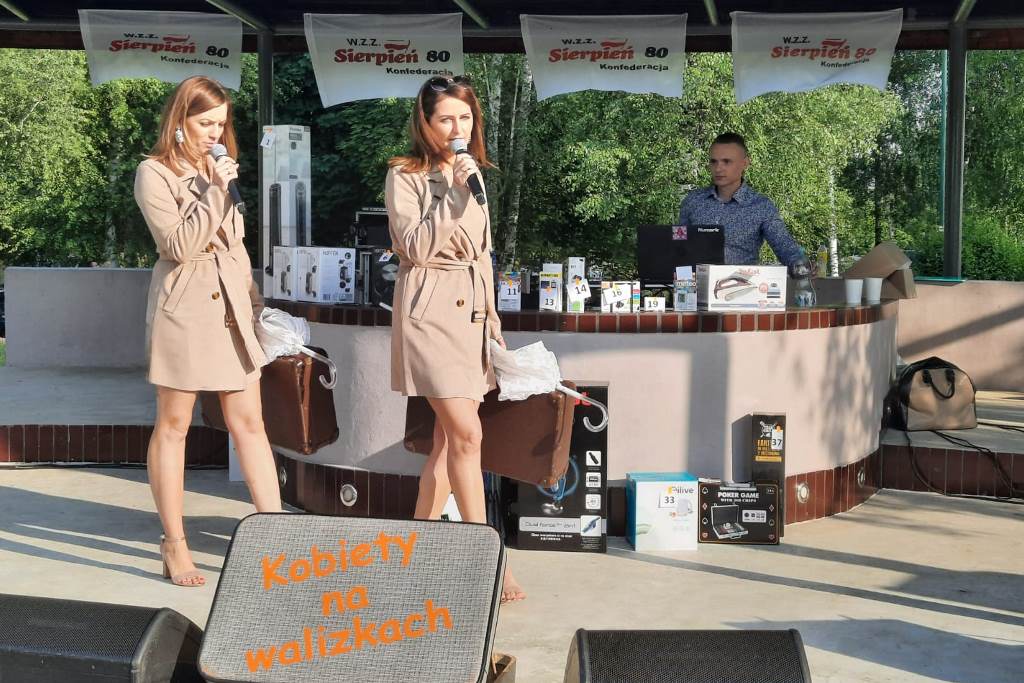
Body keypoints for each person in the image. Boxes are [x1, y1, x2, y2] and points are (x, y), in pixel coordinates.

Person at [134, 76, 281, 587]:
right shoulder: (154, 173)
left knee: (251, 424)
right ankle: (174, 544)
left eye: (221, 123)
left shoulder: (217, 170)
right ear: (180, 121)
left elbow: (235, 248)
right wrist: (215, 191)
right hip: (185, 309)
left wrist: (256, 305)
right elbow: (178, 245)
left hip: (233, 310)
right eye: (205, 123)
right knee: (174, 425)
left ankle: (275, 538)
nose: (215, 133)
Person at [385, 75, 525, 604]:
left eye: (465, 117)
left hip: (472, 317)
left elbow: (482, 254)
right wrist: (457, 197)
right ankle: (489, 558)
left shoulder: (474, 171)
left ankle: (415, 550)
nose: (456, 128)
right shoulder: (405, 175)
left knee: (447, 446)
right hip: (430, 312)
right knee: (466, 436)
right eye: (445, 118)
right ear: (425, 122)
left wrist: (493, 323)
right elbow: (416, 247)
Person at [679, 132, 804, 267]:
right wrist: (679, 278)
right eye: (713, 161)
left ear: (745, 163)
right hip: (696, 280)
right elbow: (679, 248)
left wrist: (801, 265)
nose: (718, 168)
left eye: (726, 161)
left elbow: (785, 246)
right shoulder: (693, 201)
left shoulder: (760, 206)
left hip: (743, 280)